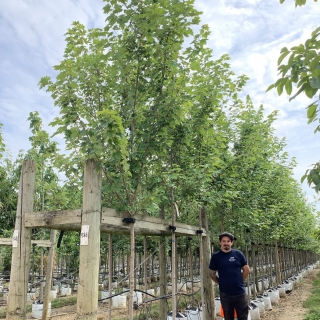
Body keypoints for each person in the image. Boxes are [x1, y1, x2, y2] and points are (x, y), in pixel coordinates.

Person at [209, 232, 250, 320]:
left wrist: (239, 280)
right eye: (223, 241)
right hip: (225, 294)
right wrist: (220, 282)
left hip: (240, 293)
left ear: (231, 243)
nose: (226, 243)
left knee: (243, 317)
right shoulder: (216, 257)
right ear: (220, 242)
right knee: (228, 317)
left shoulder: (238, 254)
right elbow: (212, 273)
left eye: (228, 241)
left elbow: (246, 270)